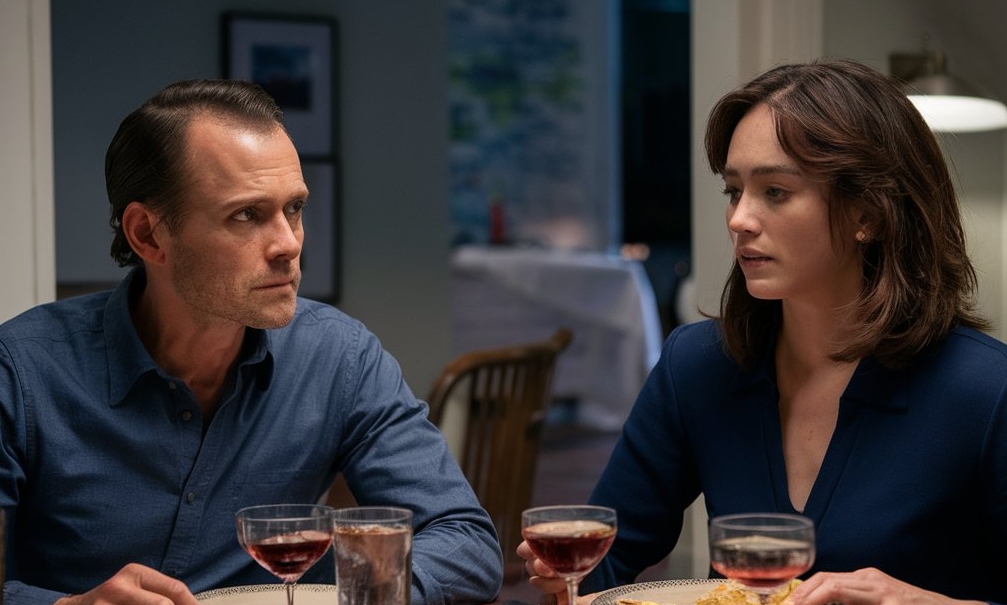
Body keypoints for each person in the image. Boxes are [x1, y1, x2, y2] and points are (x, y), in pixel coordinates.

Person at [518, 59, 1007, 605]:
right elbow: (607, 565)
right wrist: (564, 578)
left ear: (867, 213)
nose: (739, 219)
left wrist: (915, 602)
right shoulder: (698, 365)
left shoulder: (987, 391)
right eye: (733, 191)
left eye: (775, 191)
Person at [0, 79, 503, 605]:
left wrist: (350, 599)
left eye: (295, 209)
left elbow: (463, 541)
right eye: (247, 215)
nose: (288, 244)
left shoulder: (339, 357)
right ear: (147, 234)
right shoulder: (22, 370)